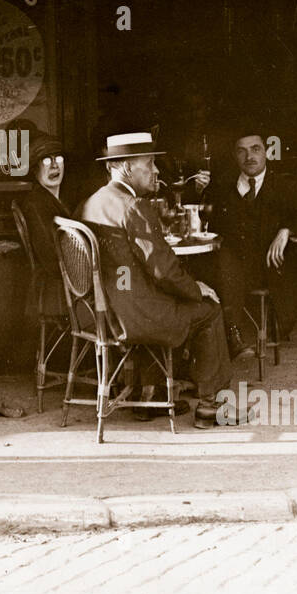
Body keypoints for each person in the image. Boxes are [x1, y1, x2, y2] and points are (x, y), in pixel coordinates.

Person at [77, 132, 234, 427]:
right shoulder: (133, 206)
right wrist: (197, 289)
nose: (157, 171)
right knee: (209, 309)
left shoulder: (91, 202)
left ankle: (150, 395)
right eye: (149, 164)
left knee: (163, 297)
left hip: (102, 313)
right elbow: (164, 271)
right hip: (134, 318)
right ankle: (212, 405)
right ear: (125, 168)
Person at [205, 128, 297, 356]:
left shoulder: (283, 186)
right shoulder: (223, 188)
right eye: (242, 151)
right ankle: (232, 335)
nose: (249, 157)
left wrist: (286, 230)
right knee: (224, 259)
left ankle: (263, 329)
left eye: (255, 149)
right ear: (235, 156)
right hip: (234, 266)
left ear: (267, 152)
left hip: (272, 267)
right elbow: (206, 218)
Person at [16, 133, 69, 319]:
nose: (55, 165)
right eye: (46, 160)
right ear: (34, 168)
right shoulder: (37, 204)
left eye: (59, 158)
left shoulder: (53, 200)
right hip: (57, 291)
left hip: (63, 287)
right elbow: (52, 261)